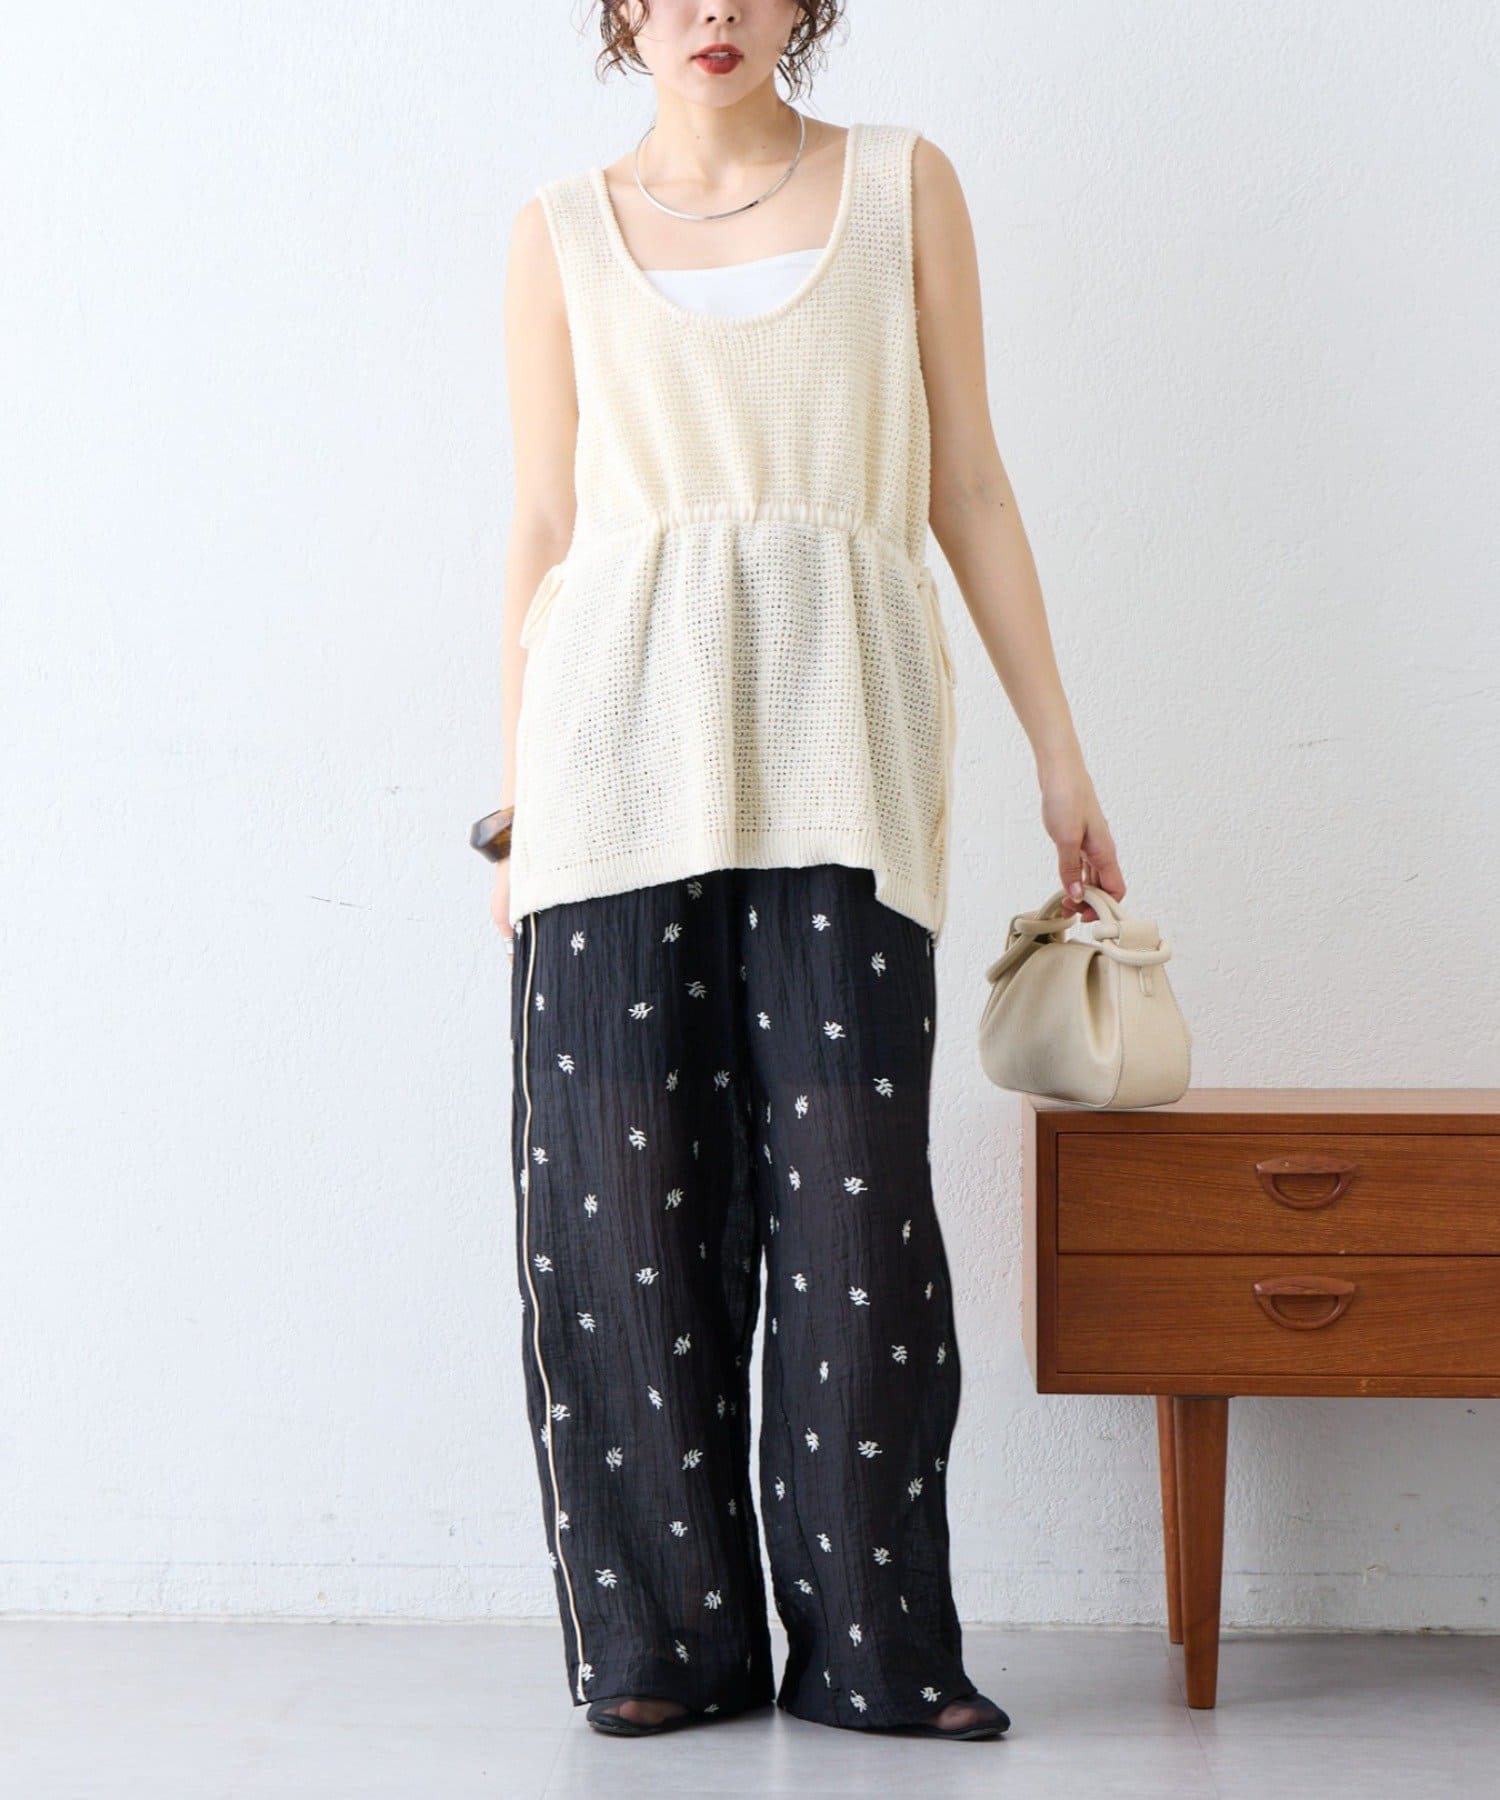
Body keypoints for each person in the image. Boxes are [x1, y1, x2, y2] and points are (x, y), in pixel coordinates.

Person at [477, 0, 1124, 1746]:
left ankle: (878, 1649)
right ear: (621, 11)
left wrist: (1061, 756)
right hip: (612, 771)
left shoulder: (904, 186)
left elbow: (969, 484)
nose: (713, 11)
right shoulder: (557, 230)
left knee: (855, 1205)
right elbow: (544, 525)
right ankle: (662, 1646)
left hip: (845, 753)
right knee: (617, 1214)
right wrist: (518, 806)